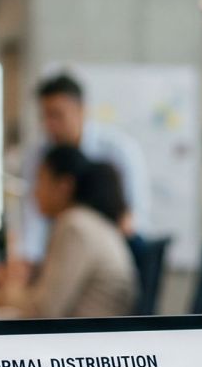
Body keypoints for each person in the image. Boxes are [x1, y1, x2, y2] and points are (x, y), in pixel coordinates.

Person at [0, 147, 137, 319]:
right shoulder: (89, 221)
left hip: (90, 334)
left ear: (63, 186)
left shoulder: (75, 226)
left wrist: (7, 289)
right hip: (96, 331)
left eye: (40, 180)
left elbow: (43, 310)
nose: (35, 193)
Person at [21, 73, 150, 260]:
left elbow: (135, 215)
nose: (50, 125)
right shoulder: (38, 155)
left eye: (57, 115)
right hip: (61, 252)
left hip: (112, 251)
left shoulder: (117, 151)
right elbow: (33, 216)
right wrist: (29, 261)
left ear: (81, 111)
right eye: (45, 117)